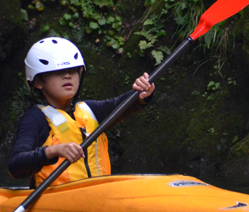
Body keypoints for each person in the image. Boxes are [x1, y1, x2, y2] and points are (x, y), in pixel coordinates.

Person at [8, 37, 155, 188]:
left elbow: (122, 105)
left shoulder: (89, 111)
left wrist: (142, 93)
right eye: (57, 71)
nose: (67, 75)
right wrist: (53, 151)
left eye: (72, 70)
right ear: (38, 82)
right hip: (57, 200)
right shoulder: (35, 117)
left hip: (99, 194)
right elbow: (16, 166)